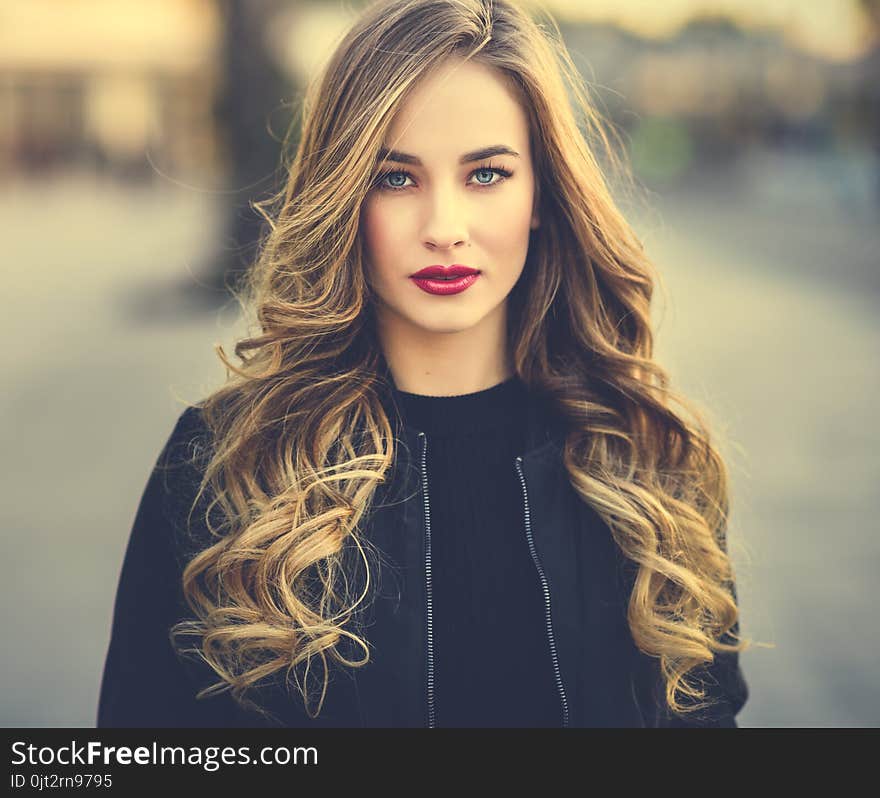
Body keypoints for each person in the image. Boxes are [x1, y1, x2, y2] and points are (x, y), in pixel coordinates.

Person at [97, 0, 750, 728]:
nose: (444, 229)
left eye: (487, 175)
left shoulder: (653, 466)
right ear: (343, 194)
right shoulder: (221, 467)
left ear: (542, 193)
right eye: (396, 179)